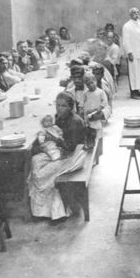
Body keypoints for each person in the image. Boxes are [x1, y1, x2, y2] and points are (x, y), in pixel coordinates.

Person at [28, 92, 87, 221]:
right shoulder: (59, 117)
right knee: (35, 161)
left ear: (70, 107)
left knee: (43, 174)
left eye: (63, 106)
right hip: (61, 150)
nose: (59, 108)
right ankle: (41, 211)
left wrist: (54, 138)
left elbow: (70, 147)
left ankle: (58, 213)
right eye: (58, 105)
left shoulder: (75, 121)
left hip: (74, 155)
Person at [122, 7, 140, 99]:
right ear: (130, 14)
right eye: (134, 12)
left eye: (137, 12)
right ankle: (133, 92)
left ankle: (139, 89)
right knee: (133, 73)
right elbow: (125, 41)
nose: (136, 14)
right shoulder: (127, 26)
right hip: (133, 53)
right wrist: (129, 53)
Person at [81, 73, 110, 150]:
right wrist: (82, 109)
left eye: (92, 82)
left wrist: (99, 108)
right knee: (89, 130)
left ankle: (99, 150)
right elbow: (82, 103)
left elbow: (104, 102)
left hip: (96, 113)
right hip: (88, 113)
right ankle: (90, 145)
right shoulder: (86, 93)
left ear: (95, 81)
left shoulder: (100, 92)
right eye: (88, 84)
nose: (90, 85)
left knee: (98, 131)